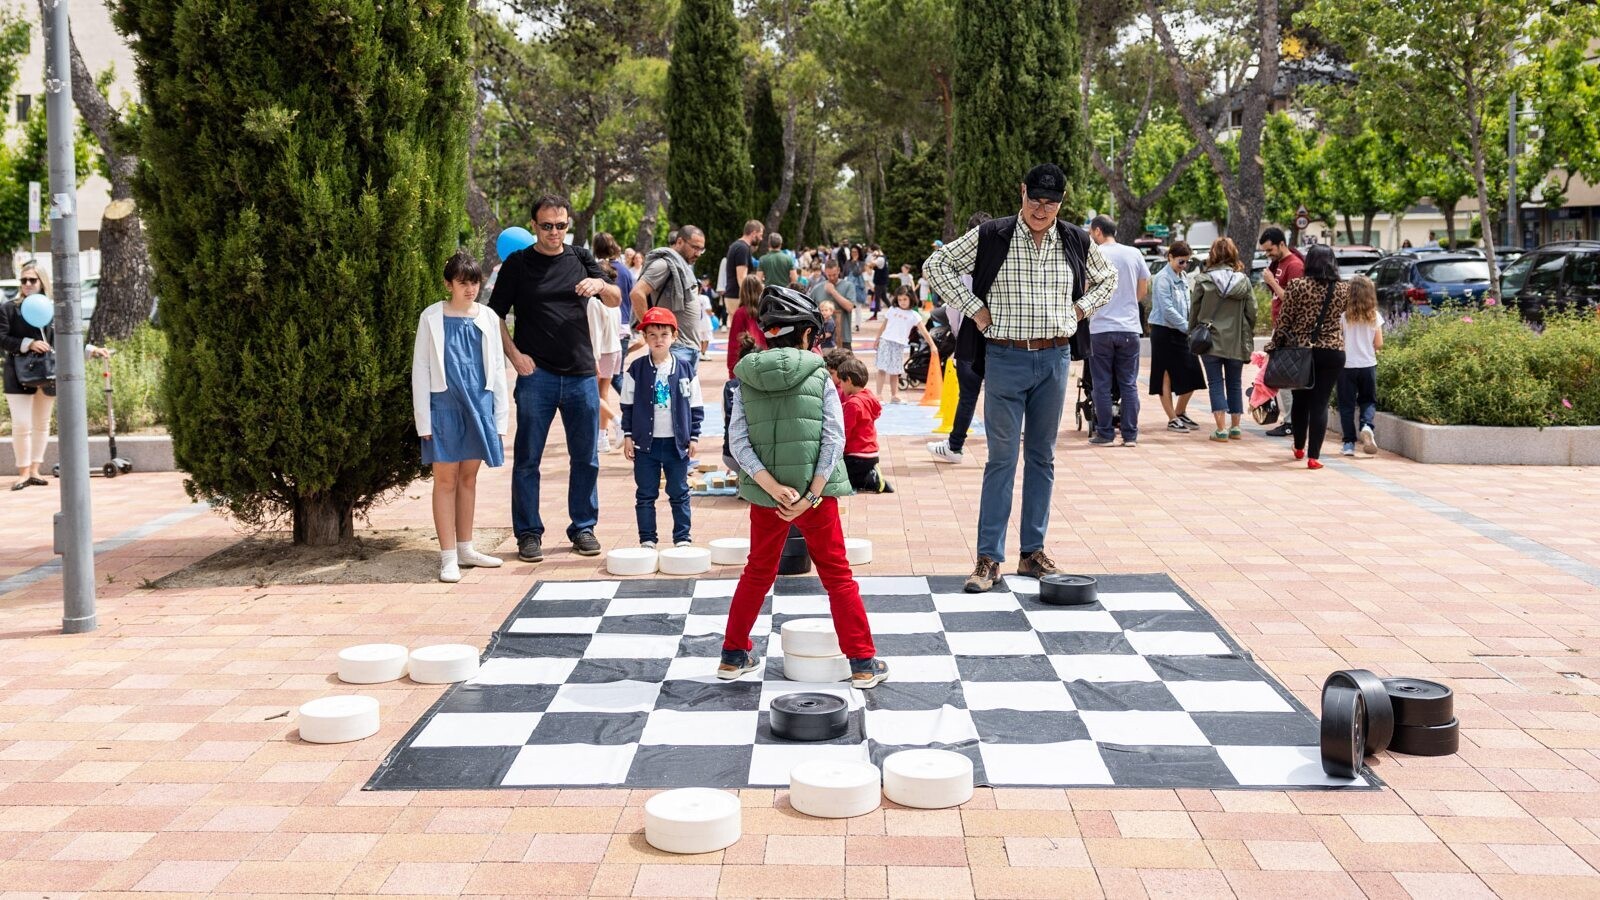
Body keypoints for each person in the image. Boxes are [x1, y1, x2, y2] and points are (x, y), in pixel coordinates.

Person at [924, 163, 1116, 592]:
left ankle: (1032, 553)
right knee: (1002, 459)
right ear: (1022, 192)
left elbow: (1109, 279)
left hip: (1055, 359)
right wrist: (973, 308)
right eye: (1035, 200)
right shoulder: (992, 234)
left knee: (1043, 457)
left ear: (1061, 203)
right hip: (1005, 357)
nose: (1042, 209)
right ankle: (989, 558)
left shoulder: (1074, 238)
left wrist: (1081, 310)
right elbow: (936, 265)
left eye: (1051, 203)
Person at [719, 285, 888, 689]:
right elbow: (834, 438)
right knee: (837, 575)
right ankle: (862, 663)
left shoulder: (745, 375)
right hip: (815, 498)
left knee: (758, 571)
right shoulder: (819, 373)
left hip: (767, 498)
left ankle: (732, 655)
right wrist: (810, 494)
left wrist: (772, 487)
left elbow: (737, 441)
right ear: (808, 334)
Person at [489, 195, 621, 562]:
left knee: (585, 458)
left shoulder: (580, 258)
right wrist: (514, 356)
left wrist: (600, 286)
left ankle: (583, 527)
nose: (554, 232)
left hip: (580, 374)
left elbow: (615, 297)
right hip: (537, 377)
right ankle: (528, 533)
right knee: (528, 459)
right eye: (546, 225)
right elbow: (493, 316)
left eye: (560, 225)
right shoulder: (517, 264)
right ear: (534, 225)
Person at [412, 250, 509, 583]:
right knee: (445, 480)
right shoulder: (431, 317)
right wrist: (423, 421)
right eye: (463, 283)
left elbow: (497, 367)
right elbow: (421, 369)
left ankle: (466, 549)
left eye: (475, 282)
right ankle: (448, 556)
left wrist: (500, 419)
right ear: (448, 284)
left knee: (469, 479)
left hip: (478, 405)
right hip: (444, 406)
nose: (470, 289)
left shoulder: (487, 317)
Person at [2, 264, 112, 491]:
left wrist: (91, 350)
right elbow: (2, 338)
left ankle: (35, 469)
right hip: (19, 373)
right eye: (23, 281)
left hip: (49, 371)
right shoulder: (9, 309)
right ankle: (23, 471)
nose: (27, 285)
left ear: (42, 282)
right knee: (22, 424)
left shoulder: (52, 309)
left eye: (32, 280)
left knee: (42, 424)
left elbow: (66, 338)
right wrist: (27, 343)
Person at [621, 307, 705, 548]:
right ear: (645, 338)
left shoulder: (685, 369)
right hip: (645, 444)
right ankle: (647, 538)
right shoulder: (636, 369)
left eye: (664, 334)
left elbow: (695, 406)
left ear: (674, 336)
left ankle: (682, 538)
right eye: (652, 335)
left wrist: (694, 437)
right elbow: (627, 405)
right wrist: (628, 435)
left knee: (679, 492)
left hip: (676, 444)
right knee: (645, 494)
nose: (659, 340)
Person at [1266, 243, 1348, 469]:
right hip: (1333, 351)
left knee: (1301, 400)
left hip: (1301, 351)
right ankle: (1314, 457)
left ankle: (1299, 448)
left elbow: (1284, 321)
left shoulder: (1297, 286)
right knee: (1320, 404)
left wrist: (1274, 347)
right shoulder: (1343, 289)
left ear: (1309, 262)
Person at [926, 211, 993, 465]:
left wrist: (957, 333)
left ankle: (955, 446)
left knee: (968, 395)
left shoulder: (961, 265)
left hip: (970, 333)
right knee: (1002, 394)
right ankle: (1004, 444)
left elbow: (954, 308)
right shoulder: (1002, 260)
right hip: (999, 335)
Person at [1086, 215, 1150, 447]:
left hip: (1101, 327)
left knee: (1101, 384)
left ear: (1098, 231)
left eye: (1092, 232)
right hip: (1129, 327)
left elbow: (1085, 289)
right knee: (1128, 383)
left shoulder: (1094, 254)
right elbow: (1143, 287)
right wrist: (1127, 304)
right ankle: (1130, 435)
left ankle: (1105, 434)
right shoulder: (1134, 253)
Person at [1190, 238, 1256, 442]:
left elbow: (1194, 310)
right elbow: (1252, 311)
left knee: (1215, 382)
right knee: (1235, 382)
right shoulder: (1243, 281)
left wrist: (1192, 331)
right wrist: (1246, 330)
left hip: (1209, 339)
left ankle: (1220, 429)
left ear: (1213, 255)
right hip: (1235, 340)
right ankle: (1236, 427)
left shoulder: (1203, 280)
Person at [1147, 241, 1205, 433]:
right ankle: (1172, 417)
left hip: (1182, 331)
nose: (1184, 266)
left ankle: (1180, 411)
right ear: (1170, 257)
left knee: (1193, 370)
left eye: (1187, 262)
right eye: (1181, 261)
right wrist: (1187, 327)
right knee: (1165, 375)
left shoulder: (1183, 275)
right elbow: (1167, 309)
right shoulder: (1163, 278)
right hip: (1164, 331)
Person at [1259, 227, 1305, 437]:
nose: (1268, 254)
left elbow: (1293, 299)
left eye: (1270, 250)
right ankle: (1290, 420)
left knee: (1285, 377)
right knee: (1281, 377)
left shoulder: (1295, 265)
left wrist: (1271, 281)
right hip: (1281, 327)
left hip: (1289, 330)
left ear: (1281, 244)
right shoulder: (1279, 264)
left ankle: (1291, 422)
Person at [633, 226, 707, 356]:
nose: (698, 253)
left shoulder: (681, 265)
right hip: (674, 348)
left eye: (701, 249)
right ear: (679, 242)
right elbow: (636, 293)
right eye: (695, 247)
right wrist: (649, 330)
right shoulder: (665, 264)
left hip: (687, 347)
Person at [721, 274, 767, 471]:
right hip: (763, 361)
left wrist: (732, 369)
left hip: (744, 364)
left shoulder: (740, 313)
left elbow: (734, 343)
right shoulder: (765, 313)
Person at [831, 355, 891, 493]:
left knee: (835, 476)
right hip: (871, 454)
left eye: (841, 382)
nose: (840, 386)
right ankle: (869, 476)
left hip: (857, 455)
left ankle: (872, 479)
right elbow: (876, 413)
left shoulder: (853, 404)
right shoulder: (868, 396)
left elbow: (844, 431)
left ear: (849, 380)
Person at [1337, 275, 1383, 457]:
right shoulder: (1375, 316)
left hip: (1346, 366)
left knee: (1346, 405)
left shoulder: (1343, 317)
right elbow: (1379, 343)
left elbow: (1339, 340)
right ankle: (1366, 425)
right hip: (1368, 365)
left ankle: (1349, 444)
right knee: (1368, 401)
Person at [874, 285, 933, 405]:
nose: (902, 302)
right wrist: (877, 339)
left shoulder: (914, 315)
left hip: (899, 345)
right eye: (900, 299)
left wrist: (932, 345)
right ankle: (879, 395)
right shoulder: (892, 310)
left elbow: (924, 331)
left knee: (895, 372)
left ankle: (894, 395)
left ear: (911, 298)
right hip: (886, 341)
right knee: (882, 369)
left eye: (905, 299)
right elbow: (884, 325)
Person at [593, 233, 635, 399]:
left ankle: (636, 403)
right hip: (623, 325)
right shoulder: (625, 270)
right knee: (612, 378)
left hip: (606, 328)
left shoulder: (599, 270)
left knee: (607, 380)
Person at [808, 258, 855, 350]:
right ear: (825, 272)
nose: (832, 278)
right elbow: (809, 309)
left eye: (834, 274)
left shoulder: (848, 286)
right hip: (823, 341)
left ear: (838, 270)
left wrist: (833, 291)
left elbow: (849, 307)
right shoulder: (817, 288)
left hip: (843, 337)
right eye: (829, 275)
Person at [723, 219, 765, 298]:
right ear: (754, 233)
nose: (761, 238)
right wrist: (749, 298)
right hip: (737, 297)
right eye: (760, 235)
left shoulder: (737, 246)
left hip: (733, 295)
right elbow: (742, 278)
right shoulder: (743, 248)